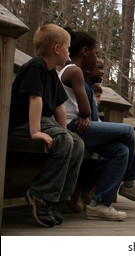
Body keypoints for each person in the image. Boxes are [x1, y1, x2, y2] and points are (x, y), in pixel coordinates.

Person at [58, 28, 135, 221]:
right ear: (85, 51)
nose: (98, 58)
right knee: (127, 131)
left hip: (79, 127)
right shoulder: (74, 70)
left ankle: (100, 204)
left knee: (121, 150)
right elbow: (84, 111)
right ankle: (130, 182)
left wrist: (86, 116)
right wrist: (85, 115)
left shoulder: (69, 70)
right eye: (97, 54)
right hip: (73, 127)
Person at [8, 24, 84, 227]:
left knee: (76, 143)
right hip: (23, 122)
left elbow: (59, 107)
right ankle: (40, 193)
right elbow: (35, 100)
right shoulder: (35, 67)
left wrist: (64, 132)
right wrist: (35, 133)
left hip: (44, 121)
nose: (69, 52)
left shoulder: (51, 73)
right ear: (57, 49)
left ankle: (57, 198)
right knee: (64, 139)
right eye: (68, 48)